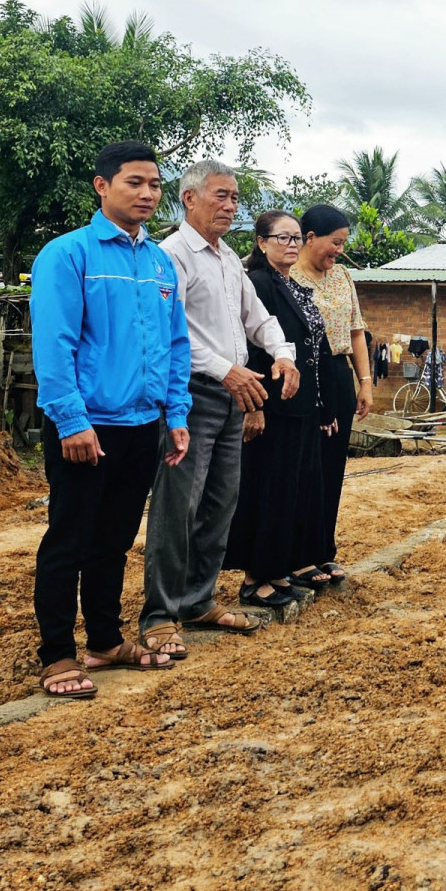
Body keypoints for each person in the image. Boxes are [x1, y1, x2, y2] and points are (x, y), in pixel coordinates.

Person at [29, 141, 192, 700]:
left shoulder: (158, 261)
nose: (147, 194)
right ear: (102, 186)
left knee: (115, 540)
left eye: (154, 185)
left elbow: (175, 344)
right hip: (86, 426)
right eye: (134, 183)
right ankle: (56, 655)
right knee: (68, 540)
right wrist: (71, 420)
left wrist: (176, 413)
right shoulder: (67, 254)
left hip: (143, 424)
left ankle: (103, 639)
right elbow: (54, 346)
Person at [137, 162, 301, 658]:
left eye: (235, 197)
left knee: (220, 501)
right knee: (177, 505)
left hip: (235, 392)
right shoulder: (170, 256)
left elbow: (259, 319)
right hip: (190, 393)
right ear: (190, 199)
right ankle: (160, 613)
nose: (231, 206)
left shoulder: (229, 259)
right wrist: (225, 369)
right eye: (221, 196)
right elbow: (171, 334)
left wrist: (283, 354)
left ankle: (197, 599)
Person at [227, 210, 336, 616]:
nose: (290, 245)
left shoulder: (289, 284)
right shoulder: (257, 283)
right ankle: (257, 578)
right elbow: (255, 346)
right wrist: (256, 405)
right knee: (267, 489)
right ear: (261, 242)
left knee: (292, 489)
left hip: (299, 401)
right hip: (270, 400)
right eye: (281, 238)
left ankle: (278, 568)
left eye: (295, 239)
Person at [292, 203, 370, 593]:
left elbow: (357, 331)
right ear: (310, 238)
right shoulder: (287, 277)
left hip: (338, 373)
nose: (338, 251)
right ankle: (297, 554)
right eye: (334, 243)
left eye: (342, 244)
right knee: (304, 465)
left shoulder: (342, 277)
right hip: (304, 376)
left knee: (332, 466)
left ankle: (324, 548)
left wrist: (365, 382)